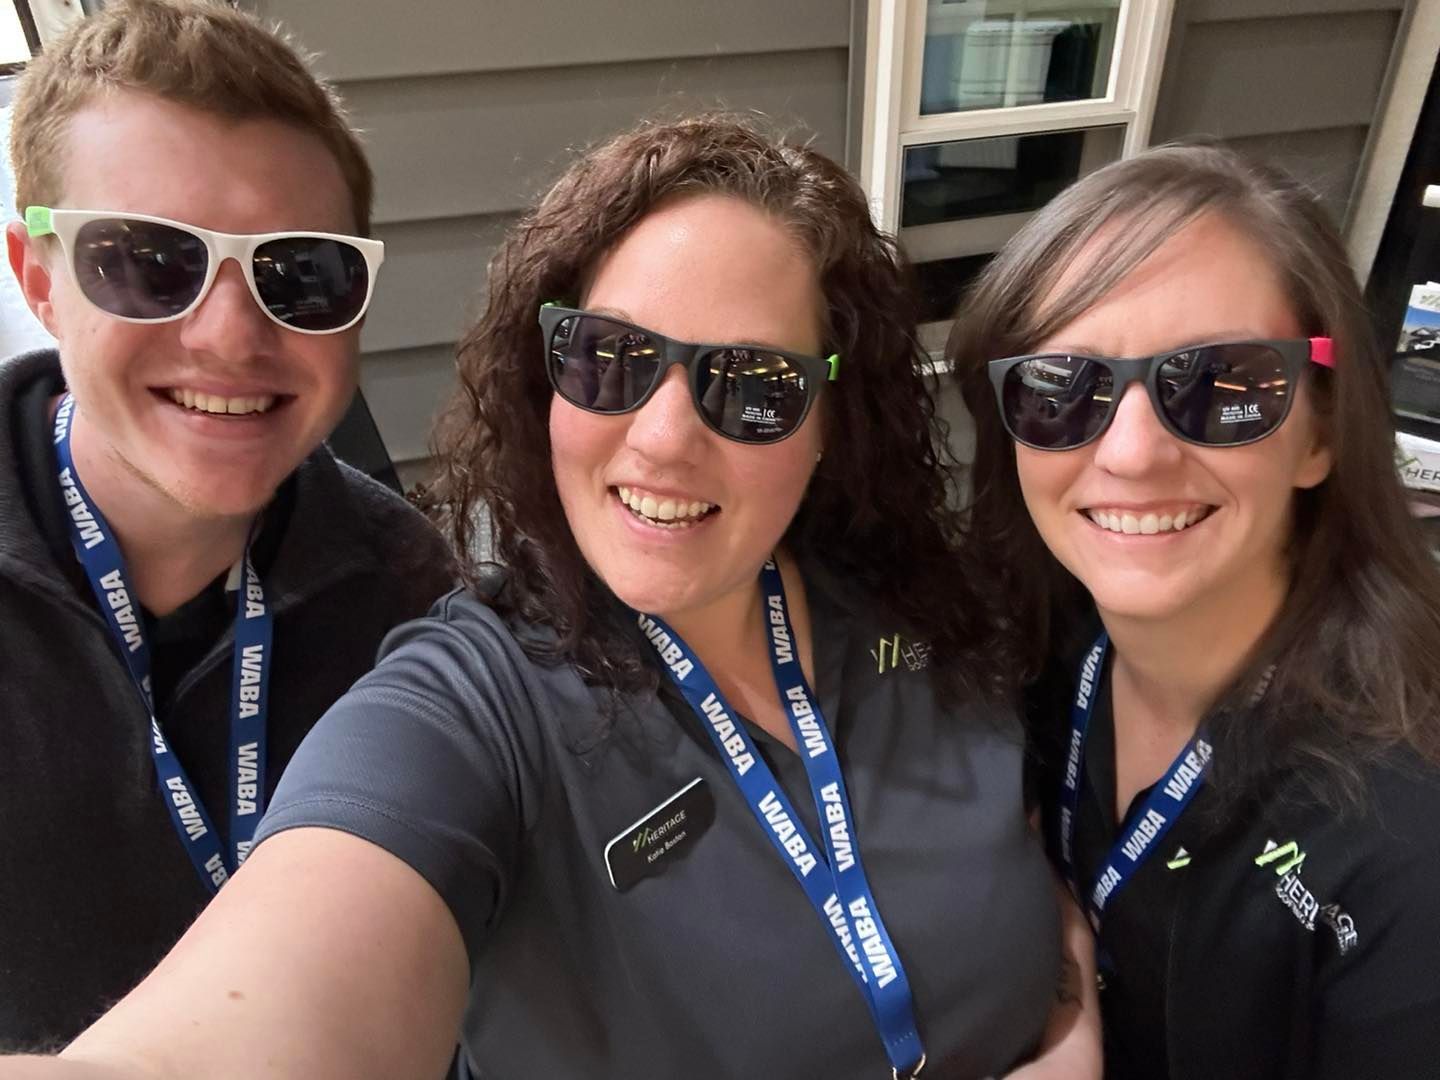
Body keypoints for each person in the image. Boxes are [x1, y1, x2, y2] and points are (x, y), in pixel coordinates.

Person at [0, 115, 1098, 1079]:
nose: (665, 437)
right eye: (611, 359)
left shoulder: (928, 619)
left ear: (827, 419)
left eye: (752, 386)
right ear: (545, 379)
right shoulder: (477, 702)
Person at [0, 0, 455, 1050]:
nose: (230, 333)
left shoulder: (410, 599)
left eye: (302, 276)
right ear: (41, 280)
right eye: (149, 262)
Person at [952, 142, 1440, 1078]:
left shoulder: (1407, 851)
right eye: (1064, 388)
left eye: (1221, 385)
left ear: (1323, 431)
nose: (1132, 454)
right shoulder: (1036, 644)